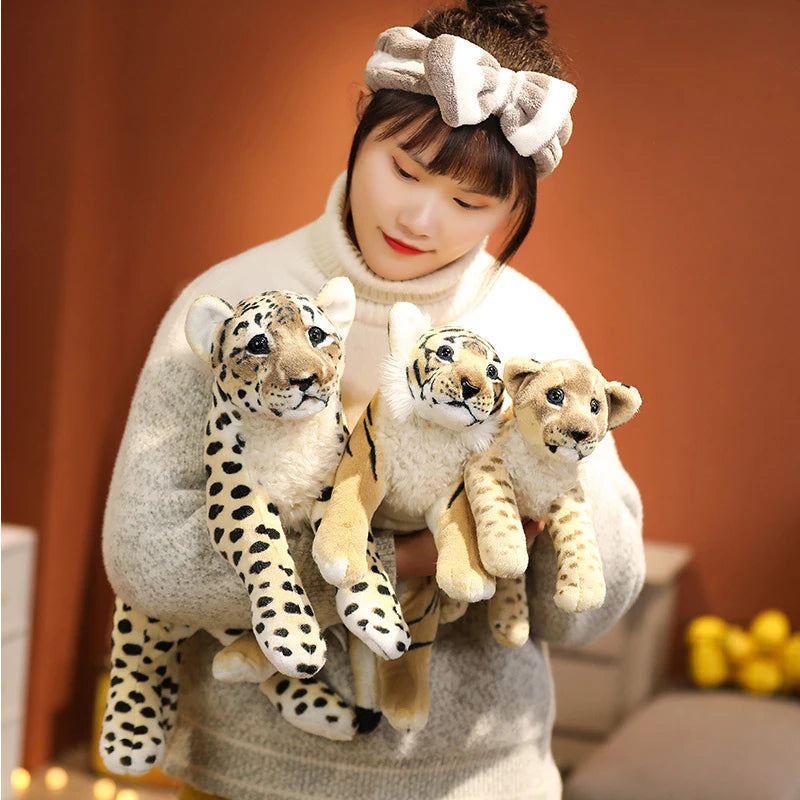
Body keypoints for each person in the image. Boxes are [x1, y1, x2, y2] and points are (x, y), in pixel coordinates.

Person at [102, 2, 645, 798]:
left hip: (482, 778)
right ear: (363, 117)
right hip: (250, 775)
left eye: (470, 203)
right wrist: (403, 560)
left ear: (516, 203)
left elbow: (586, 610)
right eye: (406, 171)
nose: (420, 219)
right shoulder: (233, 302)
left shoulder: (532, 331)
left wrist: (547, 487)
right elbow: (147, 561)